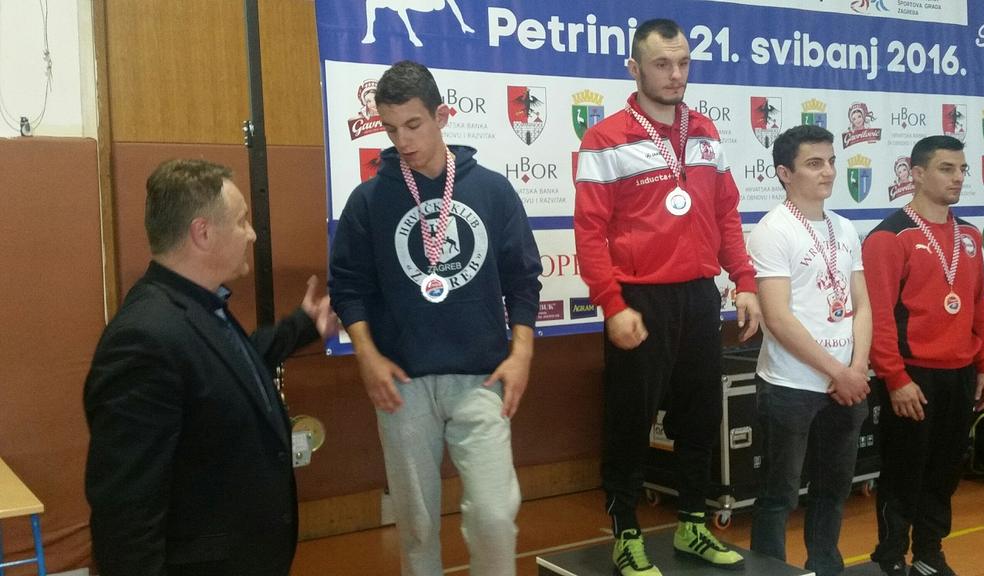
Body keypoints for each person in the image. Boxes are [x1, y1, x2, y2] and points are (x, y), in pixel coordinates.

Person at [329, 60, 542, 576]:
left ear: (442, 116)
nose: (402, 141)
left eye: (413, 125)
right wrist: (367, 355)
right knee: (417, 526)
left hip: (482, 377)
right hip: (402, 383)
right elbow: (348, 286)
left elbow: (523, 278)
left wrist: (521, 354)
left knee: (494, 516)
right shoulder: (369, 199)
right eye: (390, 128)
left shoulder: (492, 190)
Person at [84, 159, 337, 576]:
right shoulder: (144, 340)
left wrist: (302, 326)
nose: (252, 234)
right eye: (241, 222)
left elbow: (229, 368)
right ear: (202, 233)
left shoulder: (195, 306)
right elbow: (126, 513)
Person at [573, 18, 761, 576]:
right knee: (630, 422)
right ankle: (626, 534)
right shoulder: (605, 138)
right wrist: (613, 304)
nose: (675, 74)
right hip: (639, 300)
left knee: (699, 419)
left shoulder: (704, 130)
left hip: (699, 296)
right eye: (661, 64)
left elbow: (725, 212)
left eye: (682, 63)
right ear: (634, 68)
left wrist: (745, 281)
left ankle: (693, 526)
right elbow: (589, 233)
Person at [863, 135, 984, 576]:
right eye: (946, 168)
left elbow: (977, 306)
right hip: (913, 375)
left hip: (961, 373)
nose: (957, 178)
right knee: (904, 471)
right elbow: (880, 317)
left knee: (944, 472)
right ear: (917, 174)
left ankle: (928, 553)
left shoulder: (969, 236)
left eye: (962, 170)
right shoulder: (889, 236)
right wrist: (895, 378)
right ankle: (890, 555)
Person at [747, 125, 871, 576]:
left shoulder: (845, 227)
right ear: (785, 173)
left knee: (833, 490)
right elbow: (778, 318)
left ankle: (825, 566)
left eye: (831, 161)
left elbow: (862, 304)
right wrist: (838, 372)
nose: (829, 172)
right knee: (778, 495)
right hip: (791, 386)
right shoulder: (772, 230)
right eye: (814, 164)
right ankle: (770, 571)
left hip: (847, 383)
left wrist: (858, 368)